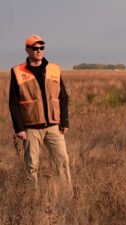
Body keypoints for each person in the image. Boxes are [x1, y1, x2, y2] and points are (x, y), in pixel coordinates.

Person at [8, 34, 72, 195]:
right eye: (35, 48)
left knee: (63, 161)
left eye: (41, 48)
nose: (38, 51)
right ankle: (32, 199)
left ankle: (67, 195)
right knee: (31, 165)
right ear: (27, 50)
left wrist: (65, 121)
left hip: (53, 126)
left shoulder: (54, 69)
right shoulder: (17, 72)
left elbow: (62, 96)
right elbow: (13, 103)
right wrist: (19, 128)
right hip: (30, 128)